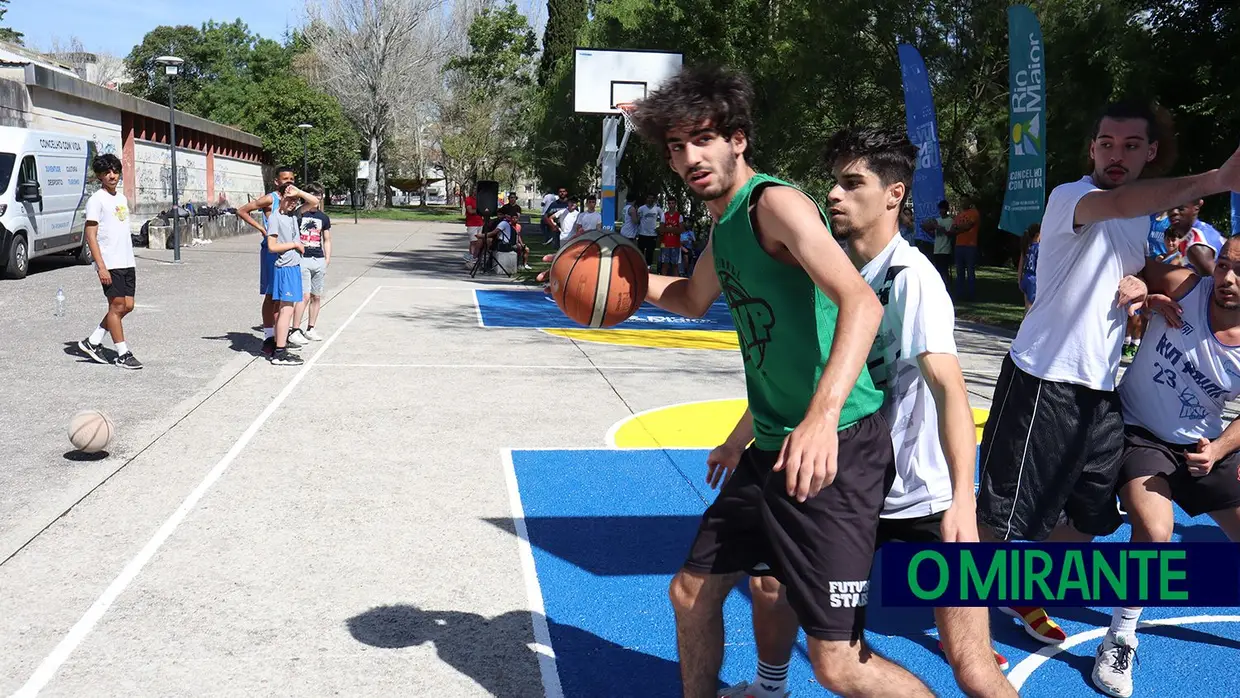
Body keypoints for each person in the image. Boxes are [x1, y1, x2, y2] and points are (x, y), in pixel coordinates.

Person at [619, 64, 931, 698]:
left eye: (702, 139)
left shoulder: (775, 204)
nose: (689, 158)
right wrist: (611, 285)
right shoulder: (726, 222)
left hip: (837, 445)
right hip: (772, 448)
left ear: (736, 138)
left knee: (838, 664)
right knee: (690, 592)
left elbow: (860, 304)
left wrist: (820, 418)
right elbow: (689, 296)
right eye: (677, 148)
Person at [720, 127, 1014, 698]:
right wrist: (742, 435)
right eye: (833, 183)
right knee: (771, 585)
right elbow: (810, 375)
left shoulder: (913, 279)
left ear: (894, 195)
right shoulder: (831, 272)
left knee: (973, 666)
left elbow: (952, 390)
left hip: (922, 497)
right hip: (851, 485)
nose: (834, 195)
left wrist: (963, 502)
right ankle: (771, 687)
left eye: (852, 184)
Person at [976, 101, 1240, 644]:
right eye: (1106, 143)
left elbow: (1143, 266)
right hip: (1044, 378)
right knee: (1005, 515)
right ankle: (967, 624)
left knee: (1094, 515)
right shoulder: (1073, 197)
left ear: (1151, 152)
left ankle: (1024, 589)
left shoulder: (1139, 221)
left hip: (1099, 393)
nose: (1115, 155)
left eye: (1130, 145)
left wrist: (1145, 285)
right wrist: (1215, 179)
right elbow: (1118, 202)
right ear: (1092, 149)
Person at [1090, 244, 1240, 697]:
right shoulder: (1186, 286)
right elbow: (1130, 266)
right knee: (1156, 531)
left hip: (1202, 444)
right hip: (1140, 431)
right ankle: (1119, 639)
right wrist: (1143, 290)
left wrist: (1218, 449)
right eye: (1227, 265)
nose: (1229, 278)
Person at [77, 154, 142, 370]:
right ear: (100, 176)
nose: (112, 175)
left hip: (126, 260)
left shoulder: (121, 199)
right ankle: (123, 353)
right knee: (117, 306)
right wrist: (101, 266)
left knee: (128, 306)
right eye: (107, 173)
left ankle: (93, 341)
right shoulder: (96, 200)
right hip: (110, 263)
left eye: (114, 171)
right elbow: (91, 235)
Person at [237, 166, 297, 357]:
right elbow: (242, 210)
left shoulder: (293, 198)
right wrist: (262, 229)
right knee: (272, 295)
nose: (289, 181)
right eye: (285, 178)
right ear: (277, 181)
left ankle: (281, 337)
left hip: (287, 250)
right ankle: (269, 337)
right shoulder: (271, 198)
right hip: (272, 251)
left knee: (283, 296)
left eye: (292, 178)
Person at [266, 182, 317, 366]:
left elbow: (314, 202)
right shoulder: (275, 218)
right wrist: (294, 245)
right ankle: (279, 352)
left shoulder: (293, 215)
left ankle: (280, 346)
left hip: (294, 267)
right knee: (286, 310)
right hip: (285, 268)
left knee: (286, 310)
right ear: (280, 197)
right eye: (289, 199)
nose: (293, 203)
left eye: (296, 200)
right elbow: (272, 247)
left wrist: (299, 192)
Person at [290, 183, 331, 344]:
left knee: (316, 296)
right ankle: (295, 330)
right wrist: (301, 193)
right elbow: (311, 202)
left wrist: (327, 258)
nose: (317, 197)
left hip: (318, 259)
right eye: (314, 194)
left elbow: (327, 239)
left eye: (320, 194)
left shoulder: (323, 217)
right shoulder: (298, 213)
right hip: (302, 259)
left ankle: (311, 328)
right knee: (304, 296)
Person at [951, 197, 980, 300]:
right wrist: (959, 228)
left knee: (970, 271)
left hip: (970, 246)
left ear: (970, 202)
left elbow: (968, 226)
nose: (963, 202)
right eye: (962, 201)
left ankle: (971, 295)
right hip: (959, 245)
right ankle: (960, 294)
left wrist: (958, 228)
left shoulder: (974, 213)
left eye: (965, 201)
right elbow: (952, 229)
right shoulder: (959, 215)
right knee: (959, 271)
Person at [659, 197, 685, 275]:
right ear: (667, 204)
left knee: (675, 265)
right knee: (664, 265)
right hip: (665, 243)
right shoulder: (664, 215)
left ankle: (675, 283)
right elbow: (661, 230)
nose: (671, 205)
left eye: (673, 203)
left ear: (675, 204)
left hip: (675, 244)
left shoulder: (679, 216)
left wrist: (668, 229)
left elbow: (680, 230)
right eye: (669, 203)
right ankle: (663, 282)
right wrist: (674, 229)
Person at [636, 193, 663, 269]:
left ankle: (648, 268)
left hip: (652, 235)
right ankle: (640, 267)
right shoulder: (641, 209)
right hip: (642, 234)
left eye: (652, 198)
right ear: (646, 199)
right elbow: (637, 221)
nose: (650, 200)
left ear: (654, 200)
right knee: (640, 252)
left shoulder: (657, 209)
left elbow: (663, 218)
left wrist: (659, 228)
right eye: (649, 198)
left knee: (650, 253)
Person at [1018, 223, 1040, 310]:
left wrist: (1019, 280)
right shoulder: (1039, 248)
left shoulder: (1026, 247)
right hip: (1033, 279)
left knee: (1026, 307)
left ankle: (1023, 323)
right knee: (1031, 309)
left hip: (1025, 277)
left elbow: (1020, 265)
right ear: (1038, 234)